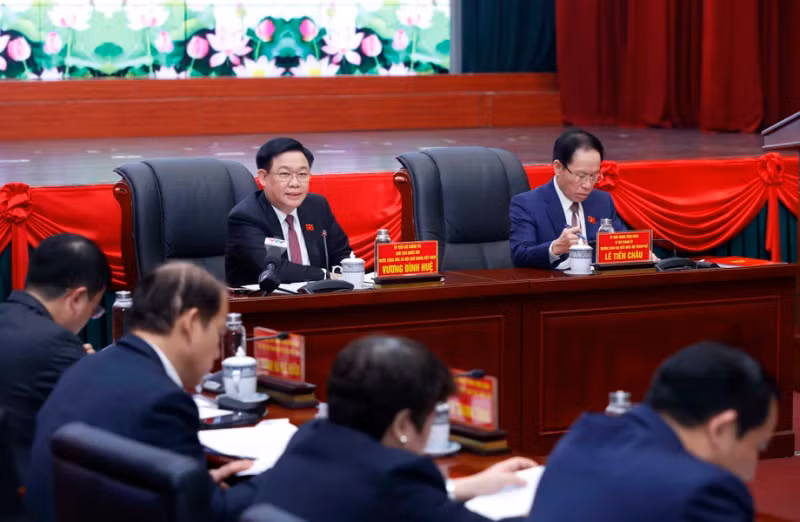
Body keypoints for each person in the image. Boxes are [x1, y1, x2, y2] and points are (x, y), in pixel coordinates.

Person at [26, 262, 255, 522]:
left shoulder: (86, 368)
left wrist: (195, 485)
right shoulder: (164, 402)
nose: (216, 353)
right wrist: (274, 478)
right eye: (217, 334)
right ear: (190, 323)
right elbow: (209, 515)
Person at [251, 335, 536, 521]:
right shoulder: (397, 480)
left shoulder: (308, 439)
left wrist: (465, 487)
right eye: (431, 417)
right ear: (402, 424)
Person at [529, 341, 779, 522]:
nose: (752, 471)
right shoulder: (707, 492)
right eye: (758, 446)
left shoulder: (582, 437)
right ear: (721, 428)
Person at [0, 233, 110, 483]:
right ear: (77, 298)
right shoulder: (57, 345)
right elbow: (109, 416)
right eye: (94, 310)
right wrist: (88, 368)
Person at [225, 137, 352, 287]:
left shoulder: (317, 206)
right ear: (263, 178)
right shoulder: (246, 216)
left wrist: (353, 271)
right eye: (285, 174)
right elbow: (272, 269)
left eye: (302, 174)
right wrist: (326, 275)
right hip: (265, 304)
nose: (295, 183)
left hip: (320, 299)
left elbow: (342, 255)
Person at [510, 128, 626, 269]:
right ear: (558, 167)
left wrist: (641, 253)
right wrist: (555, 248)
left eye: (594, 176)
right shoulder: (527, 203)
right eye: (581, 176)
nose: (588, 185)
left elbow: (622, 243)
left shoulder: (602, 201)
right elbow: (520, 256)